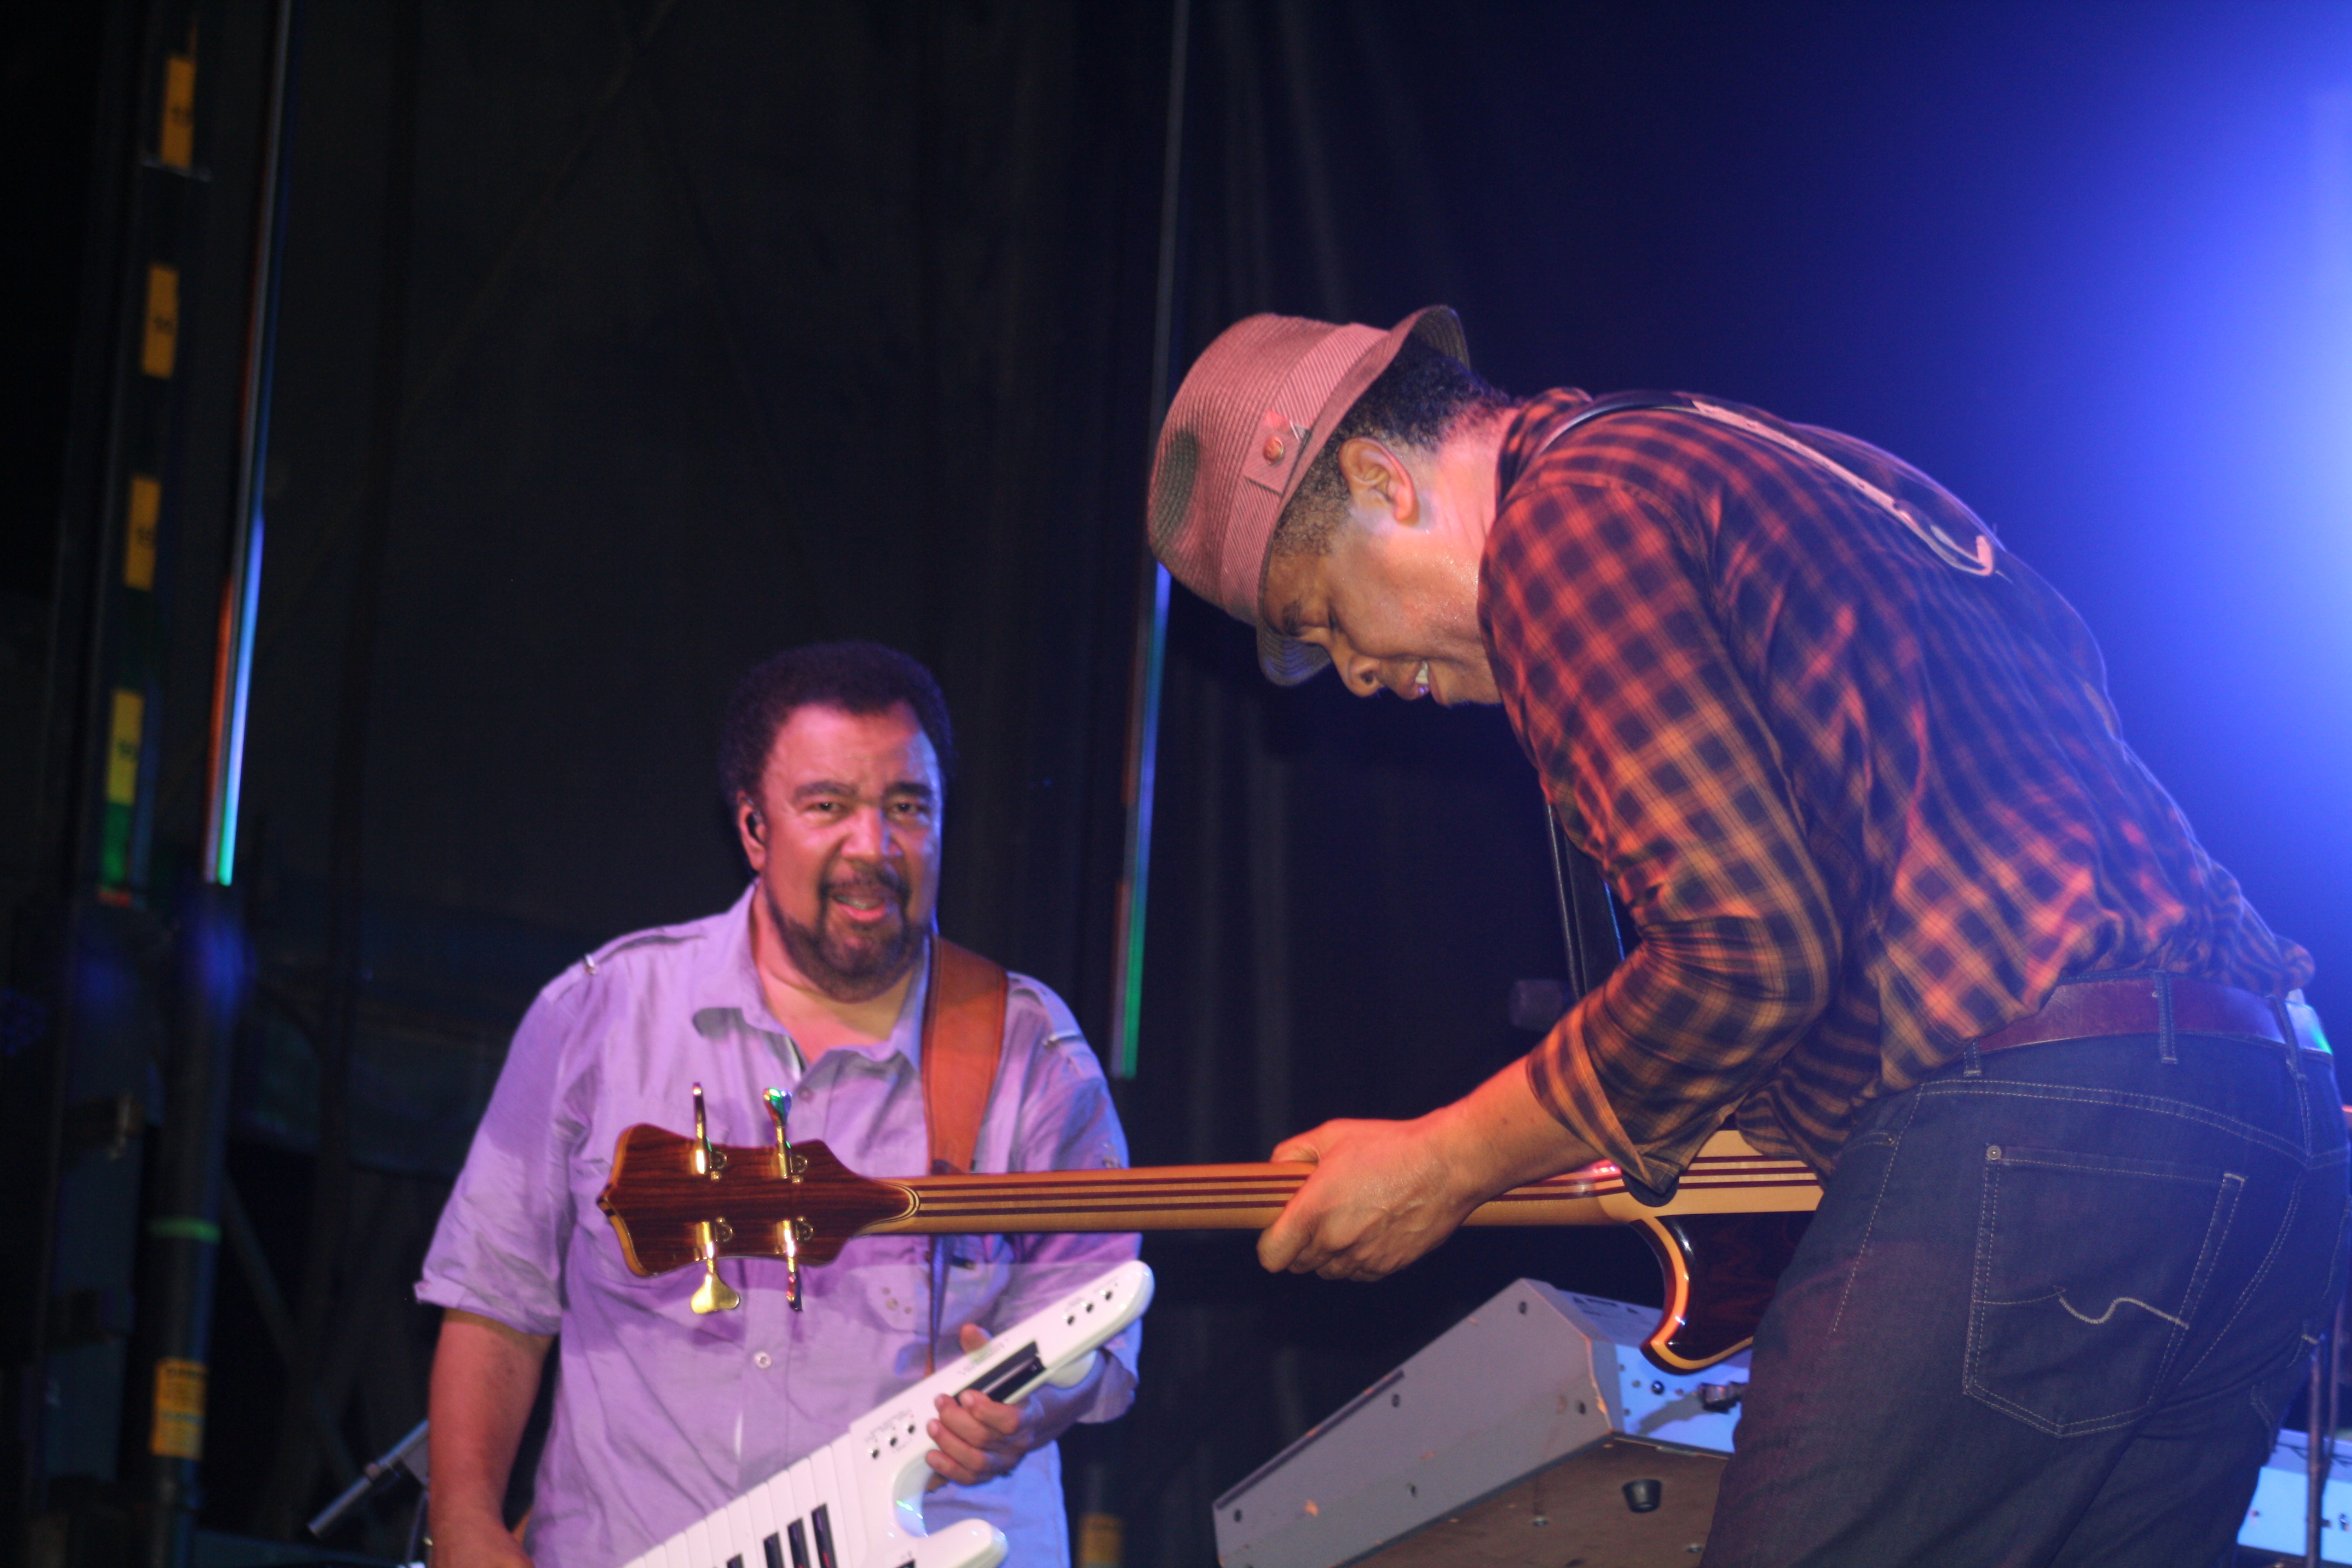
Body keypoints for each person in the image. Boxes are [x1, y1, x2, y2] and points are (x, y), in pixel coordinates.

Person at [1146, 306, 2347, 1565]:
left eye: (1325, 611)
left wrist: (1446, 1161)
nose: (1350, 670)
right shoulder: (1763, 463)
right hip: (2276, 1119)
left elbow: (1743, 952)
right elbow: (2010, 765)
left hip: (2049, 1130)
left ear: (1381, 481)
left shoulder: (1561, 527)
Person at [417, 641, 1139, 1568]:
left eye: (908, 808)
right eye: (828, 806)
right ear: (755, 830)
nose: (873, 848)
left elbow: (1098, 1319)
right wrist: (469, 1524)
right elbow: (493, 1301)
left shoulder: (1031, 1053)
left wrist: (1023, 1410)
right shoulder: (598, 1016)